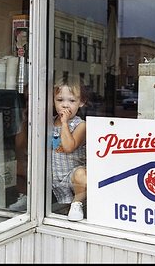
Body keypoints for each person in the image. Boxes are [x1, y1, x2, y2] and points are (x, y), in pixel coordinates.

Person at [52, 77, 87, 221]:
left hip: (72, 177)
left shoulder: (81, 125)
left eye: (72, 101)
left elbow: (68, 147)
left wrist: (64, 123)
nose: (65, 105)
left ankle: (77, 203)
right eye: (60, 100)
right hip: (54, 175)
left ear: (81, 103)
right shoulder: (49, 122)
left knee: (81, 174)